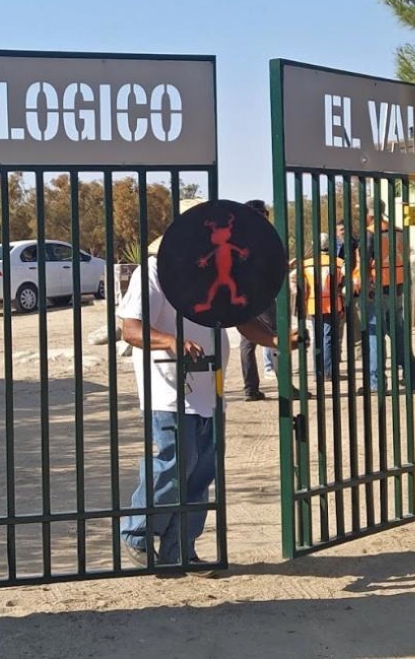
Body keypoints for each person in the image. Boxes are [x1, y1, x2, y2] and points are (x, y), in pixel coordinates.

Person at [117, 199, 286, 570]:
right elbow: (130, 328)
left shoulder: (215, 268)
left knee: (202, 469)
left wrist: (277, 340)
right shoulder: (153, 272)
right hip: (168, 386)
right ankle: (136, 532)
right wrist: (171, 342)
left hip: (212, 386)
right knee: (175, 463)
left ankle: (181, 548)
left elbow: (241, 321)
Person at [356, 212, 415, 393]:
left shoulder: (370, 234)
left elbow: (364, 264)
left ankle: (376, 382)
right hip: (397, 289)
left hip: (376, 291)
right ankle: (413, 376)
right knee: (399, 333)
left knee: (374, 336)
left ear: (369, 214)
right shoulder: (399, 232)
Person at [239, 200, 278, 401]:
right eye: (266, 213)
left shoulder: (239, 234)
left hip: (242, 293)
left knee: (247, 340)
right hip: (260, 291)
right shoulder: (262, 235)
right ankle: (285, 384)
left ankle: (250, 389)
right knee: (274, 336)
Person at [299, 233, 345, 382]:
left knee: (317, 338)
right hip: (333, 304)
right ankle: (328, 372)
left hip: (314, 304)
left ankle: (318, 372)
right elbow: (342, 285)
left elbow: (302, 286)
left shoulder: (306, 264)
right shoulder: (338, 262)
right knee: (329, 337)